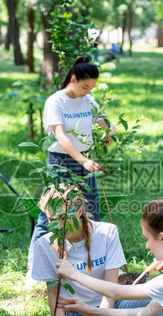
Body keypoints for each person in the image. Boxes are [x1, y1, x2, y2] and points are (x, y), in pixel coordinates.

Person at [31, 185, 163, 316]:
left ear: (80, 211)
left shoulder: (107, 233)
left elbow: (111, 288)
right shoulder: (45, 245)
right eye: (51, 219)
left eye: (62, 218)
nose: (57, 225)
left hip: (112, 307)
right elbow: (53, 292)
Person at [27, 55, 115, 274]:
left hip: (86, 162)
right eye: (85, 86)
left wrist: (109, 133)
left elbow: (108, 125)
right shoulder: (55, 101)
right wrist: (82, 160)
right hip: (61, 163)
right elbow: (60, 136)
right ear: (73, 79)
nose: (88, 91)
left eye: (92, 88)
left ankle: (95, 266)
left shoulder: (88, 101)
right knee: (51, 214)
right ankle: (34, 269)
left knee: (92, 210)